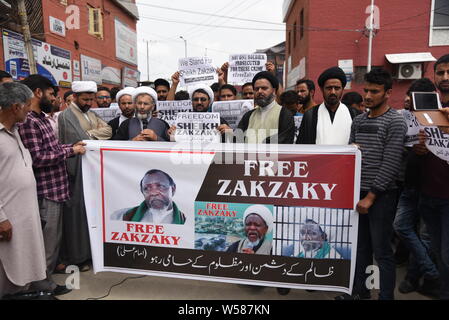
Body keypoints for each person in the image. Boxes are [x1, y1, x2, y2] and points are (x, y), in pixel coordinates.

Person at [336, 68, 407, 300]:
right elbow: (350, 155)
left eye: (374, 92)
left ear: (387, 93)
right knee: (361, 248)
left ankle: (386, 295)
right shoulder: (358, 120)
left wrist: (371, 196)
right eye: (365, 90)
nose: (367, 96)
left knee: (382, 250)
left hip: (382, 196)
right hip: (358, 192)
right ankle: (360, 291)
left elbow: (391, 163)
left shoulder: (396, 121)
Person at [19, 74, 86, 296]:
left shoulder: (41, 119)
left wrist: (69, 146)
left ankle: (43, 282)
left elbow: (51, 148)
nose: (54, 97)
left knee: (52, 243)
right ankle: (40, 287)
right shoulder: (29, 121)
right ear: (38, 93)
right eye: (50, 93)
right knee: (46, 245)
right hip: (45, 192)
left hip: (56, 190)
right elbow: (37, 158)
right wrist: (71, 151)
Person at [0, 82, 49, 299]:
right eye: (27, 106)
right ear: (15, 107)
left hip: (25, 213)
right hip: (7, 217)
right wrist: (1, 218)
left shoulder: (16, 131)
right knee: (7, 267)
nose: (30, 110)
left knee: (22, 263)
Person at [57, 81, 112, 272]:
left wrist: (89, 134)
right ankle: (76, 257)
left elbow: (108, 130)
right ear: (74, 97)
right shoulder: (66, 116)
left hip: (88, 171)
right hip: (74, 172)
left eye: (91, 99)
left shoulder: (90, 113)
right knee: (75, 216)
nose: (89, 102)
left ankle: (88, 254)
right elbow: (78, 138)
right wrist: (91, 133)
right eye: (85, 99)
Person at [393, 78, 440, 297]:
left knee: (425, 236)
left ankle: (414, 277)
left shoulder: (438, 119)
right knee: (401, 226)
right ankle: (431, 272)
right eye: (409, 95)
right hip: (408, 185)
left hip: (431, 187)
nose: (407, 100)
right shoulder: (402, 118)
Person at [414, 54, 449, 300]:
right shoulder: (426, 109)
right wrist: (419, 150)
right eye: (440, 73)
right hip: (428, 195)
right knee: (437, 252)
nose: (445, 78)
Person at [297, 67, 358, 145]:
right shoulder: (310, 115)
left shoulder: (354, 114)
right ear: (322, 89)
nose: (333, 92)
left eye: (337, 88)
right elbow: (302, 146)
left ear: (342, 89)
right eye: (329, 88)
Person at [237, 71, 295, 144]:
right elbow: (238, 140)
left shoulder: (284, 114)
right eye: (256, 89)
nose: (259, 91)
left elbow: (285, 142)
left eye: (264, 88)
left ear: (273, 91)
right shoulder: (248, 116)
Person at [112, 169, 186, 224]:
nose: (153, 193)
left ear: (173, 189)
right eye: (147, 188)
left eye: (160, 186)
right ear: (142, 192)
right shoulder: (121, 216)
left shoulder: (187, 221)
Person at [168, 84, 232, 140]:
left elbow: (231, 143)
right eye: (196, 99)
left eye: (203, 99)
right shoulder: (181, 120)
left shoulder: (220, 121)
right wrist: (171, 135)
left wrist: (229, 133)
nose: (199, 102)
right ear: (192, 102)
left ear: (209, 101)